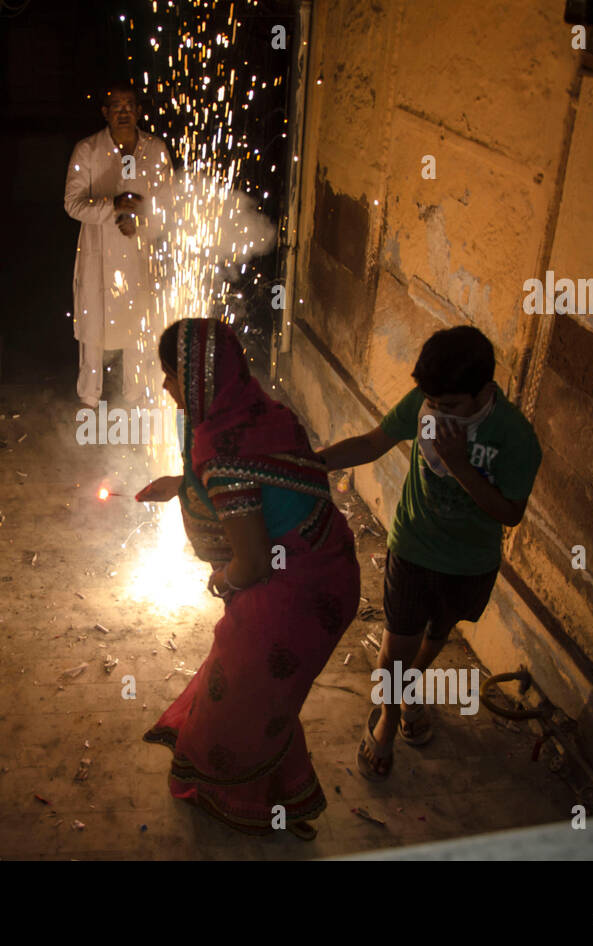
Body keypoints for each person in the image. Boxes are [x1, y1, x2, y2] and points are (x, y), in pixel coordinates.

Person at [136, 318, 360, 840]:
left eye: (169, 375)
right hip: (331, 565)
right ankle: (284, 794)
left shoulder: (222, 454)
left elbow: (255, 563)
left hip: (297, 592)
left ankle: (237, 800)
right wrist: (183, 485)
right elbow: (271, 483)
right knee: (265, 694)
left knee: (238, 698)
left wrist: (224, 578)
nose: (165, 386)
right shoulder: (263, 412)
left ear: (197, 379)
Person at [317, 325, 542, 780]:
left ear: (484, 390)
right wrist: (311, 460)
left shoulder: (514, 435)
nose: (438, 414)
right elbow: (372, 443)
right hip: (414, 545)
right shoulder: (425, 404)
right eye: (433, 404)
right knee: (396, 644)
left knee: (438, 634)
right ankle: (387, 722)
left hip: (470, 562)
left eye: (452, 406)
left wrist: (460, 464)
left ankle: (405, 691)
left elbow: (509, 513)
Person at [64, 80, 173, 407]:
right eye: (116, 106)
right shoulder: (88, 150)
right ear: (105, 113)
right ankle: (89, 398)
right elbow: (72, 203)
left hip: (140, 254)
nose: (124, 112)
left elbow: (167, 203)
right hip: (97, 256)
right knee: (92, 326)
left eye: (129, 106)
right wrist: (112, 206)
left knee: (137, 324)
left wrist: (141, 218)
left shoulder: (155, 150)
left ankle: (135, 398)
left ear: (139, 111)